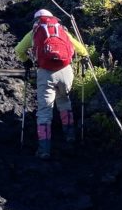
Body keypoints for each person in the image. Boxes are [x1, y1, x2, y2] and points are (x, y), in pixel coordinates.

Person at [15, 9, 89, 159]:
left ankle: (44, 150)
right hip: (66, 71)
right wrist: (85, 57)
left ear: (37, 20)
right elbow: (81, 50)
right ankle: (70, 136)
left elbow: (19, 50)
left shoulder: (34, 32)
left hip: (45, 73)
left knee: (44, 112)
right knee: (64, 100)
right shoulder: (61, 30)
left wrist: (26, 61)